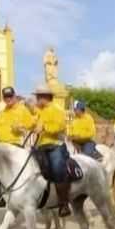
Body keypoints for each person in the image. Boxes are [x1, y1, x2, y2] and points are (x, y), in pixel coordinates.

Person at [33, 84, 71, 217]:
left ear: (45, 97)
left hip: (55, 145)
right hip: (41, 145)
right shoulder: (40, 111)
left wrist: (44, 128)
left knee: (58, 170)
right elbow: (34, 124)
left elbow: (59, 126)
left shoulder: (57, 109)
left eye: (38, 97)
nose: (36, 100)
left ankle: (63, 204)